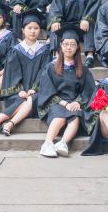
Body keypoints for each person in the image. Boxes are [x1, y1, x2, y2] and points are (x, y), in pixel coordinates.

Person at [0, 10, 53, 137]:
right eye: (29, 28)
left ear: (40, 30)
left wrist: (34, 89)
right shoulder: (16, 50)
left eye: (36, 28)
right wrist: (20, 90)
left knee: (31, 98)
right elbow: (12, 73)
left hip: (37, 91)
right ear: (23, 30)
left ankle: (4, 123)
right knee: (23, 100)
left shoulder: (44, 51)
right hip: (17, 92)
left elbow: (44, 72)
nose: (33, 31)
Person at [37, 26, 96, 158]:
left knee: (75, 116)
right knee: (60, 116)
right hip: (56, 102)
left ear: (77, 47)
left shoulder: (82, 69)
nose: (69, 47)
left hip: (74, 103)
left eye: (72, 45)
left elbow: (89, 90)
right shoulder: (51, 67)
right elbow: (47, 90)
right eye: (66, 44)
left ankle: (63, 143)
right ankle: (47, 143)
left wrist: (78, 102)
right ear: (61, 46)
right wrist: (64, 103)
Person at [47, 0, 100, 66]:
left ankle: (90, 55)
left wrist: (86, 18)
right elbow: (55, 10)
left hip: (83, 28)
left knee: (90, 24)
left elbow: (94, 9)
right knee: (55, 25)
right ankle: (56, 55)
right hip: (66, 27)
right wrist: (56, 20)